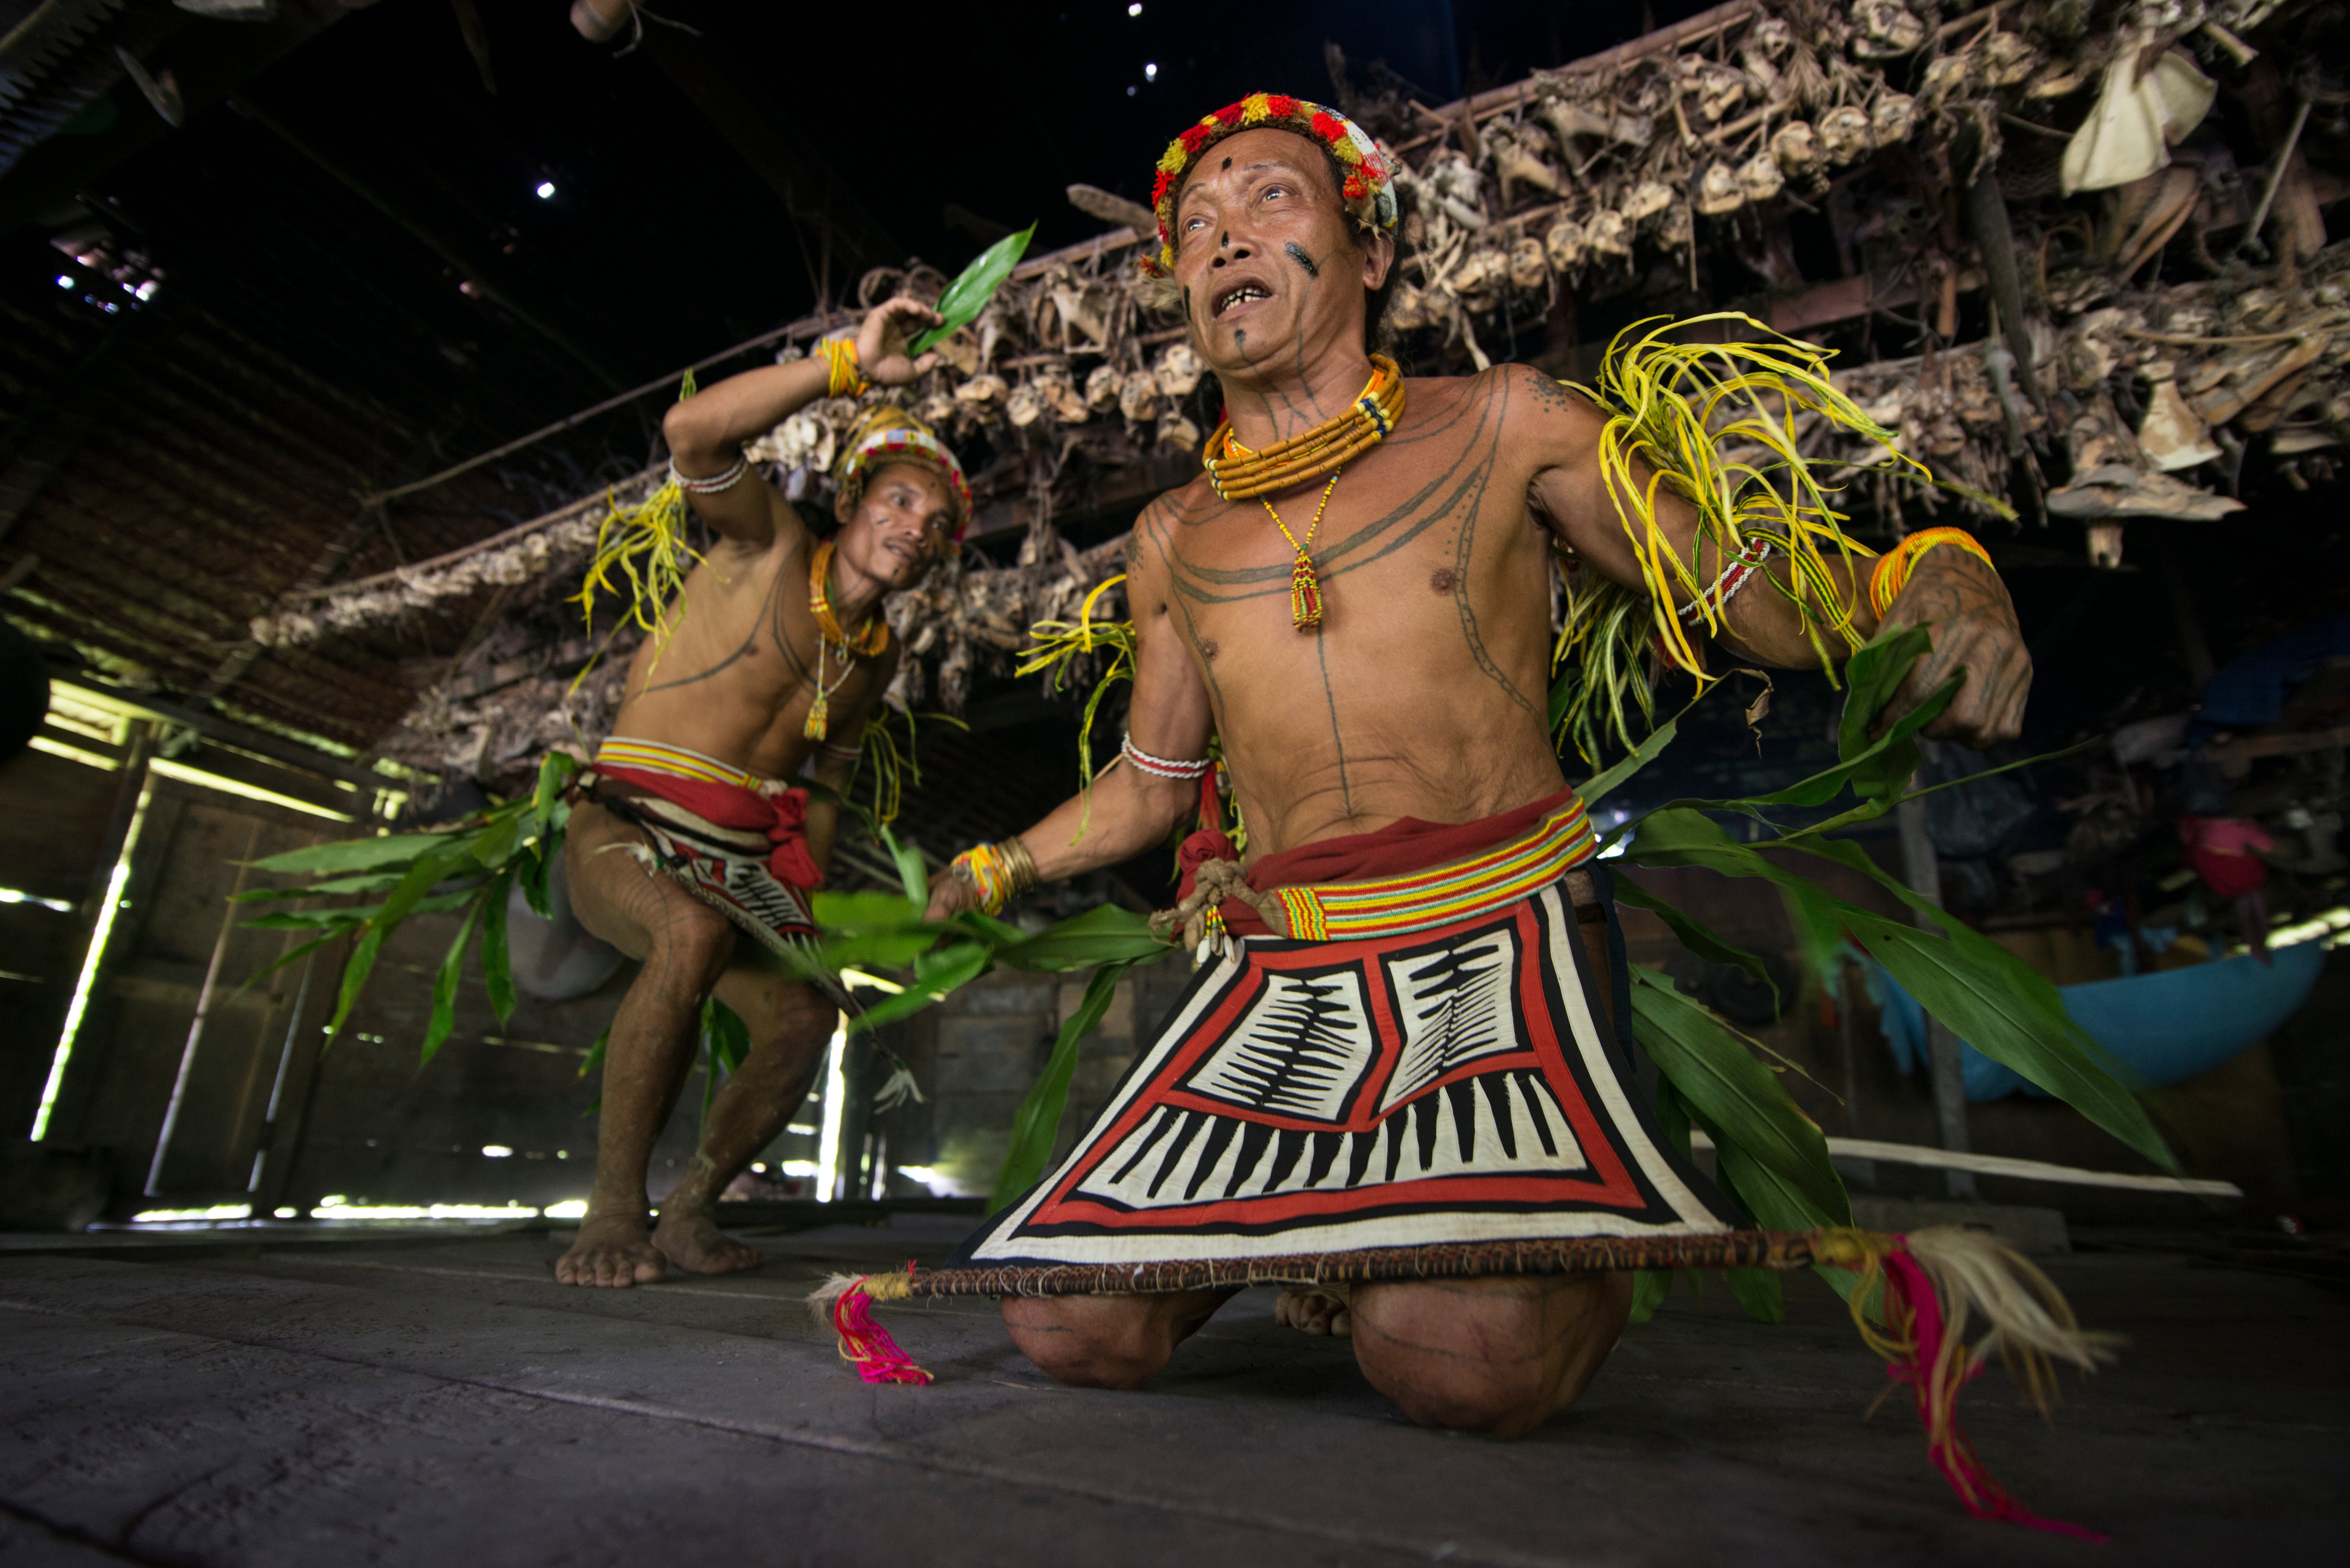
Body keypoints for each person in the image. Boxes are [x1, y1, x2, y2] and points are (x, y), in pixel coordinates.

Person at [923, 94, 2031, 1434]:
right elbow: (1155, 782)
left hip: (1496, 946)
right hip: (1283, 971)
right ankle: (1353, 1230)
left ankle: (1539, 1249)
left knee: (1456, 1364)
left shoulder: (1511, 425)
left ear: (1369, 249)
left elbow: (1756, 600)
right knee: (1063, 1322)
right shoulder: (1173, 537)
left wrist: (1944, 577)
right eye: (1197, 229)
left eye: (1268, 200)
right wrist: (996, 865)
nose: (1223, 244)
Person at [555, 298, 967, 1287]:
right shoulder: (765, 545)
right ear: (855, 503)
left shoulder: (876, 658)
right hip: (632, 829)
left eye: (939, 525)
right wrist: (847, 366)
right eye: (902, 503)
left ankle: (688, 1212)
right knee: (688, 937)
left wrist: (802, 895)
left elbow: (829, 774)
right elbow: (691, 433)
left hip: (743, 870)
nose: (916, 529)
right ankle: (611, 1213)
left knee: (805, 1017)